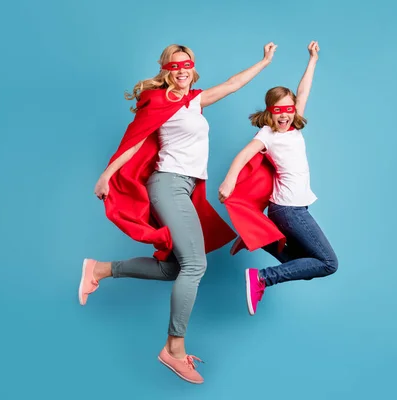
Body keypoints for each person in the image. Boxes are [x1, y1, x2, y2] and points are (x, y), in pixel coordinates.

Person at [78, 42, 277, 384]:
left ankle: (100, 269)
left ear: (193, 69)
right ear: (166, 71)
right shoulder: (158, 103)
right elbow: (135, 142)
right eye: (174, 66)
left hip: (184, 186)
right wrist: (106, 175)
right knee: (196, 265)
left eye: (187, 65)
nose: (182, 70)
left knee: (174, 268)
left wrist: (264, 61)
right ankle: (174, 348)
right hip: (168, 184)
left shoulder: (194, 101)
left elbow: (232, 84)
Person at [218, 41, 338, 316]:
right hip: (288, 209)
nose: (284, 115)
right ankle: (261, 278)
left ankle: (263, 239)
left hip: (295, 208)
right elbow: (243, 156)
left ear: (293, 110)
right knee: (328, 263)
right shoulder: (266, 135)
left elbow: (303, 91)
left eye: (289, 109)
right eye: (278, 110)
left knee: (303, 264)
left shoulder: (295, 126)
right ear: (270, 111)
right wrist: (229, 181)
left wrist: (313, 60)